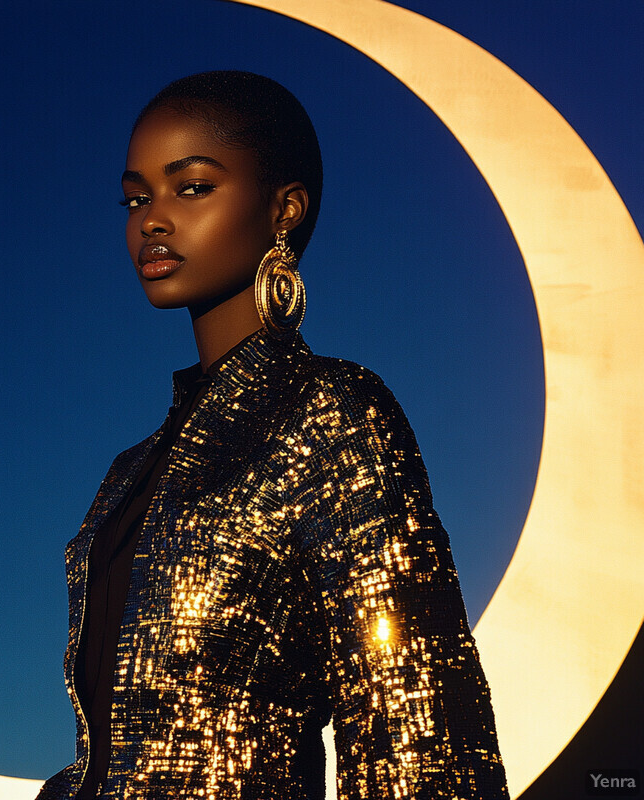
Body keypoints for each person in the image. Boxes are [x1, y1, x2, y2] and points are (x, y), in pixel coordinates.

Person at [36, 70, 510, 800]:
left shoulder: (333, 412)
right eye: (136, 199)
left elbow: (413, 723)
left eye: (191, 187)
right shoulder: (129, 473)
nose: (152, 220)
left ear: (284, 209)